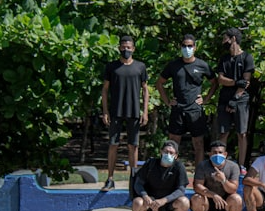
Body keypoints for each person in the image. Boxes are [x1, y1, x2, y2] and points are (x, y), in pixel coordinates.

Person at [156, 34, 218, 165]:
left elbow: (214, 82)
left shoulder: (202, 65)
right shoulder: (173, 65)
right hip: (178, 109)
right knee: (173, 143)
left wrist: (206, 99)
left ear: (195, 47)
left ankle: (198, 177)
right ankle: (170, 172)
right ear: (180, 47)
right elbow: (159, 83)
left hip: (195, 109)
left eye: (190, 46)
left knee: (198, 143)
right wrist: (167, 101)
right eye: (184, 46)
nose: (187, 48)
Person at [100, 35, 149, 192]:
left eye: (128, 47)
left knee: (133, 145)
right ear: (119, 48)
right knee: (113, 144)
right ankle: (110, 179)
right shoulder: (111, 67)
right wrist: (105, 111)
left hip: (134, 111)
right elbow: (105, 90)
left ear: (133, 49)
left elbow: (145, 90)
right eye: (123, 47)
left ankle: (134, 179)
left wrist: (145, 111)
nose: (126, 50)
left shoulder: (140, 67)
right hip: (115, 111)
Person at [130, 140, 190, 211]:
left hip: (169, 202)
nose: (168, 154)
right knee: (137, 202)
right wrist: (145, 196)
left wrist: (164, 200)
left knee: (185, 202)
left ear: (176, 155)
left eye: (171, 153)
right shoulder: (151, 163)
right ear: (161, 152)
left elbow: (181, 189)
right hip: (149, 200)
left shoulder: (179, 167)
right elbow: (138, 183)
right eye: (166, 152)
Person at [216, 28, 255, 171]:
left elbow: (245, 83)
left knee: (242, 133)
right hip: (224, 99)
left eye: (225, 38)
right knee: (223, 132)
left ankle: (241, 165)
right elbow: (221, 79)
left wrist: (235, 98)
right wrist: (235, 82)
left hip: (241, 101)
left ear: (233, 39)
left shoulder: (247, 57)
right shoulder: (224, 59)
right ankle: (220, 162)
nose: (223, 42)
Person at [190, 140, 243, 211]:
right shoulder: (202, 165)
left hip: (226, 201)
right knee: (196, 198)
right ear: (210, 154)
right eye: (214, 152)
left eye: (220, 152)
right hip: (207, 199)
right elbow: (197, 186)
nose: (217, 154)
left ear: (225, 154)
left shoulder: (233, 166)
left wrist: (223, 180)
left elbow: (233, 189)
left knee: (237, 199)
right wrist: (213, 195)